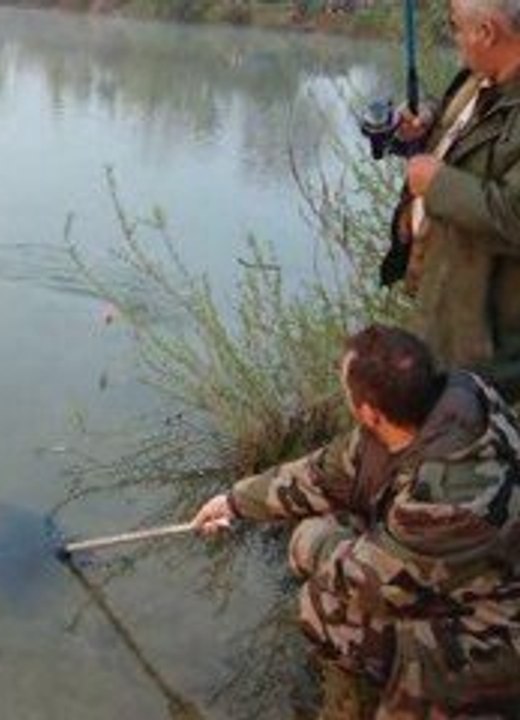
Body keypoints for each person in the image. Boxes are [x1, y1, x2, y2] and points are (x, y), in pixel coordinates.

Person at [191, 325, 520, 717]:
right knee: (333, 564)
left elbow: (368, 583)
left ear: (369, 413)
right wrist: (234, 502)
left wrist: (305, 540)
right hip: (468, 570)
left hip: (498, 628)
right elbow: (323, 473)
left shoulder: (443, 501)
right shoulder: (453, 400)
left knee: (327, 606)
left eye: (346, 385)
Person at [388, 0, 520, 401]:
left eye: (457, 27)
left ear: (487, 32)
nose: (455, 38)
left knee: (462, 428)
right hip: (442, 307)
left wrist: (437, 183)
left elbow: (514, 216)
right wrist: (425, 124)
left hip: (488, 345)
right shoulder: (479, 78)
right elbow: (463, 136)